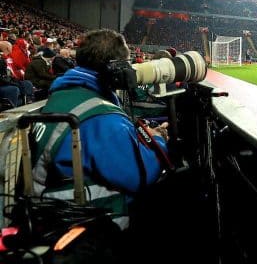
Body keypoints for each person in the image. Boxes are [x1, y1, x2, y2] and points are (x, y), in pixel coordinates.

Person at [30, 29, 170, 229]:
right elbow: (139, 175)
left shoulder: (67, 94)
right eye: (126, 64)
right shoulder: (100, 115)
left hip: (46, 205)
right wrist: (159, 139)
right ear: (116, 67)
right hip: (75, 222)